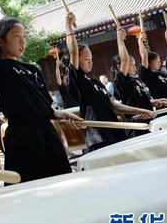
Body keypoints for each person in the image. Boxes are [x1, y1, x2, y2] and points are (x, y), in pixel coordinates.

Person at [0, 0, 81, 182]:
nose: (22, 42)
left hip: (48, 136)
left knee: (61, 185)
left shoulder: (32, 69)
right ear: (0, 41)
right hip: (23, 139)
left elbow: (48, 110)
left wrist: (64, 115)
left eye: (24, 37)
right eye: (16, 37)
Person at [65, 12, 155, 152]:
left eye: (91, 58)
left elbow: (113, 105)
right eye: (86, 58)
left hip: (115, 133)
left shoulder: (96, 83)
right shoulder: (77, 80)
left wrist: (139, 110)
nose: (91, 61)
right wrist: (68, 26)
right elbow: (73, 52)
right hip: (98, 138)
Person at [114, 27, 167, 137]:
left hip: (147, 120)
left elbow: (137, 100)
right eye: (131, 64)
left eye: (134, 63)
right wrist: (120, 39)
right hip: (136, 125)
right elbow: (125, 59)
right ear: (120, 66)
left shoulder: (135, 80)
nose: (134, 66)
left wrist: (152, 102)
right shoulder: (121, 80)